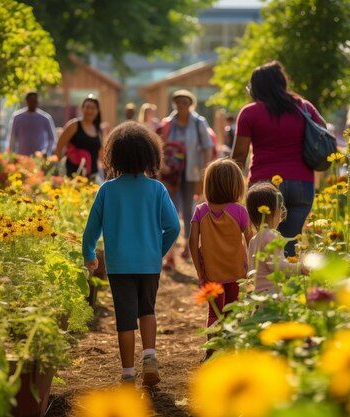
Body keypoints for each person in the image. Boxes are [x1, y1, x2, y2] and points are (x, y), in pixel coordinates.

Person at [82, 121, 181, 386]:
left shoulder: (107, 190)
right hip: (149, 263)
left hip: (119, 265)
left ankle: (127, 373)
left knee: (125, 320)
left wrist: (89, 254)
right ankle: (149, 357)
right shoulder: (157, 189)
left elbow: (91, 229)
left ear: (115, 156)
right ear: (149, 155)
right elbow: (173, 226)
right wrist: (157, 251)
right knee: (147, 310)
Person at [232, 61, 327, 257]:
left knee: (264, 243)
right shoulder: (304, 108)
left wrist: (232, 188)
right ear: (282, 82)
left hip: (263, 184)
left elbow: (239, 155)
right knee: (291, 242)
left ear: (256, 87)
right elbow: (324, 132)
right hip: (302, 183)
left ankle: (265, 286)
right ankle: (288, 284)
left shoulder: (249, 113)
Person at [188, 158, 251, 360]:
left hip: (211, 272)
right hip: (236, 271)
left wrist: (199, 270)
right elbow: (250, 239)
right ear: (236, 185)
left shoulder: (201, 210)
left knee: (214, 312)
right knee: (233, 308)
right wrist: (251, 267)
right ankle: (231, 348)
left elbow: (191, 242)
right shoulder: (239, 211)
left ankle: (211, 350)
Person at [158, 89, 214, 268]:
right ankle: (170, 253)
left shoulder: (198, 123)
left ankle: (188, 246)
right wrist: (161, 165)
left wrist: (205, 171)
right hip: (171, 174)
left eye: (185, 102)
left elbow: (207, 147)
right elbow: (160, 144)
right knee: (171, 210)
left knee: (189, 211)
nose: (181, 105)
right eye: (178, 102)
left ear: (191, 104)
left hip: (191, 172)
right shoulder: (168, 123)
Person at [246, 182, 299, 294]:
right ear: (274, 211)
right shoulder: (272, 236)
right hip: (272, 297)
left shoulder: (254, 240)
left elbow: (251, 271)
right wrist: (300, 268)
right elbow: (279, 267)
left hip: (258, 296)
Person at [54, 96, 102, 179]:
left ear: (97, 111)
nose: (90, 110)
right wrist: (59, 168)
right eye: (87, 107)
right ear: (82, 108)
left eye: (93, 108)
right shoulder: (74, 125)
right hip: (72, 176)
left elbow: (101, 153)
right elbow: (59, 146)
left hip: (92, 176)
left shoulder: (98, 129)